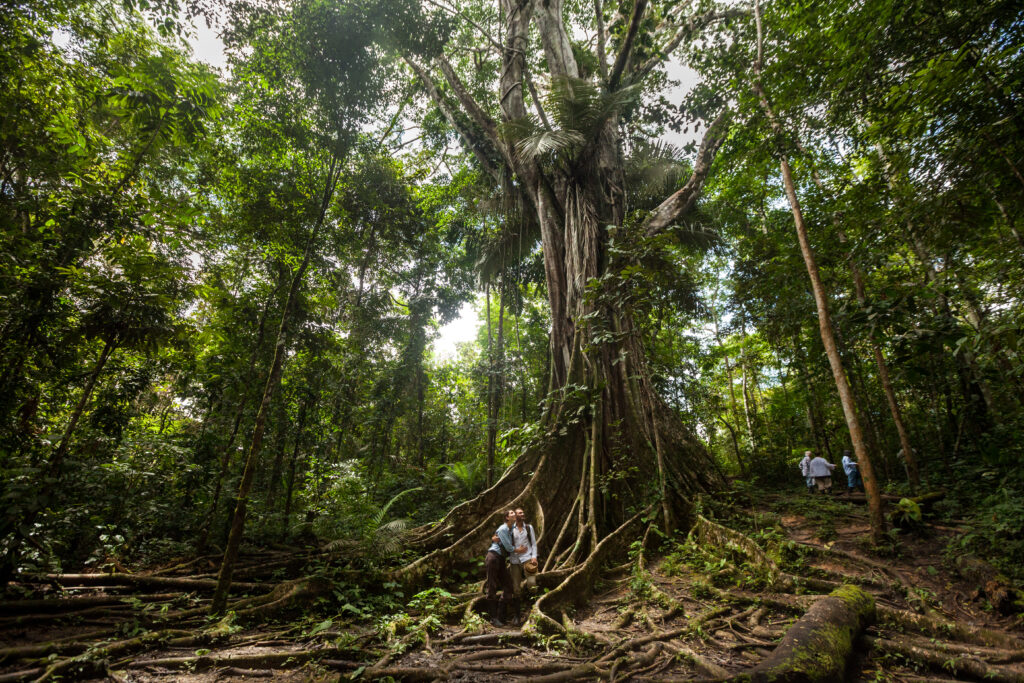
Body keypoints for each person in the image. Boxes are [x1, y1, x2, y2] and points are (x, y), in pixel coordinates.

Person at [484, 510, 517, 627]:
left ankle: (501, 617)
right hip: (493, 557)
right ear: (507, 517)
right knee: (492, 586)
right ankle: (493, 618)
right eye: (512, 513)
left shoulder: (511, 528)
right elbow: (508, 547)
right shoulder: (503, 529)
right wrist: (519, 549)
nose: (515, 515)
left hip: (501, 559)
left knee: (508, 585)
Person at [508, 507, 538, 625]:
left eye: (523, 512)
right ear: (515, 516)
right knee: (516, 589)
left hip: (528, 559)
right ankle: (517, 616)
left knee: (532, 584)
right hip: (514, 560)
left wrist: (534, 556)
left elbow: (534, 544)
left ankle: (532, 611)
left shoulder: (528, 528)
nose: (523, 514)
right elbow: (505, 542)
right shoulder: (510, 529)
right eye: (520, 513)